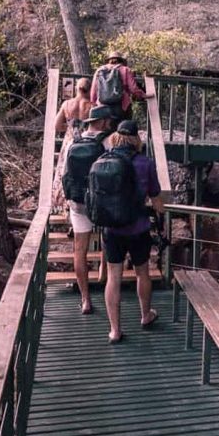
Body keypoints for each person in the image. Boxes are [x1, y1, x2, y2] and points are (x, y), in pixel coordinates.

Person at [88, 120, 163, 343]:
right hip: (138, 228)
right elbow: (158, 202)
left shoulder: (103, 161)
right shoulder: (145, 163)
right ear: (136, 139)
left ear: (116, 138)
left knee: (113, 277)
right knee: (142, 273)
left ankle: (114, 330)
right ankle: (145, 315)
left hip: (112, 230)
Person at [61, 105, 115, 314]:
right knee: (107, 239)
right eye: (108, 121)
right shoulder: (109, 142)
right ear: (101, 122)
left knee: (80, 250)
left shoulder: (74, 142)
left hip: (78, 203)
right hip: (101, 202)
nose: (110, 124)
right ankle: (103, 274)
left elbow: (66, 174)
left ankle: (85, 300)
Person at [52, 77, 93, 211]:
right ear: (89, 89)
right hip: (86, 142)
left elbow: (57, 126)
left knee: (64, 170)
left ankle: (63, 203)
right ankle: (82, 202)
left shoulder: (67, 104)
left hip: (70, 140)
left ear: (77, 88)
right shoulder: (93, 106)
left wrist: (69, 128)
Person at [90, 54, 152, 122]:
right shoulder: (125, 69)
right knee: (123, 128)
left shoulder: (99, 70)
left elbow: (93, 90)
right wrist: (143, 95)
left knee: (106, 129)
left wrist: (93, 104)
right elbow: (133, 89)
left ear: (108, 60)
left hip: (102, 105)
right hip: (122, 105)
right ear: (121, 61)